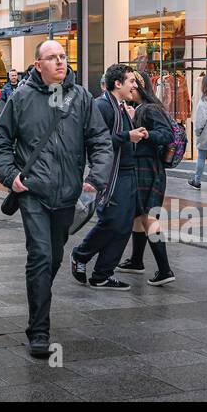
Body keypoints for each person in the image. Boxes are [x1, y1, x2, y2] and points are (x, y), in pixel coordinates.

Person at [0, 40, 112, 358]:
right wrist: (10, 176)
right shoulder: (21, 98)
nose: (61, 62)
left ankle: (40, 288)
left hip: (68, 195)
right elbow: (0, 144)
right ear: (37, 64)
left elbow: (99, 140)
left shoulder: (82, 97)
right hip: (33, 192)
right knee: (41, 255)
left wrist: (95, 178)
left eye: (63, 57)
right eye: (53, 58)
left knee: (54, 257)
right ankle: (39, 330)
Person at [71, 64, 146, 290]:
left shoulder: (121, 106)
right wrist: (127, 135)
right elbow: (96, 143)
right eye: (131, 81)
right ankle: (81, 255)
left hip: (126, 172)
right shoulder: (102, 106)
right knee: (112, 222)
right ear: (118, 83)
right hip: (112, 175)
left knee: (123, 226)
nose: (135, 85)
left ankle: (102, 273)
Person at [114, 70, 178, 286]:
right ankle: (136, 260)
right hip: (142, 167)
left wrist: (146, 134)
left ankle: (165, 269)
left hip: (149, 168)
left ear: (141, 88)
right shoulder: (139, 109)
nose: (130, 88)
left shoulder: (149, 109)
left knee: (149, 217)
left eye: (133, 85)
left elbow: (167, 134)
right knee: (138, 215)